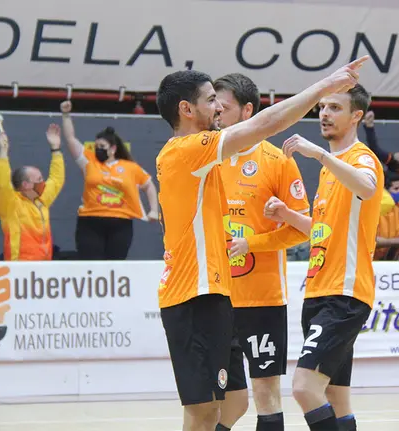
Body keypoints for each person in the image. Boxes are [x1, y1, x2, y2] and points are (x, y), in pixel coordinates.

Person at [154, 56, 369, 431]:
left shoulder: (231, 160)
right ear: (186, 110)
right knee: (204, 411)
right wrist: (324, 86)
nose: (218, 106)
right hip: (192, 296)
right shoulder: (188, 150)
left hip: (222, 295)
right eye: (210, 100)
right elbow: (267, 123)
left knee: (235, 401)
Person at [262, 83, 382, 431]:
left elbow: (369, 186)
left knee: (303, 388)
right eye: (322, 107)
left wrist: (320, 155)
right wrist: (287, 215)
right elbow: (323, 228)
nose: (324, 114)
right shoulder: (331, 169)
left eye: (334, 108)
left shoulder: (359, 158)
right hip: (319, 290)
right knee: (335, 396)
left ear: (356, 115)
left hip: (343, 294)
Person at [214, 72, 311, 431]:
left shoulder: (277, 161)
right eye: (213, 107)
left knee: (266, 394)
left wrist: (251, 243)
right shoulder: (208, 157)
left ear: (248, 110)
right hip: (216, 297)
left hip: (262, 301)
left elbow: (303, 230)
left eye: (223, 107)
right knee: (219, 400)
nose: (216, 114)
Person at [59, 101, 159, 260]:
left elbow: (149, 186)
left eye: (102, 146)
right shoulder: (89, 162)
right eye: (96, 145)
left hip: (121, 223)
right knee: (91, 264)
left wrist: (154, 210)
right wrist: (65, 115)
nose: (98, 149)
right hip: (90, 221)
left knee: (115, 266)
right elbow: (71, 139)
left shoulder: (129, 167)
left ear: (113, 149)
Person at [0, 124, 65, 261]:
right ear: (25, 185)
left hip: (44, 266)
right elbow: (3, 184)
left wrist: (55, 149)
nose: (43, 182)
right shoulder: (11, 205)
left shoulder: (42, 199)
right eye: (39, 179)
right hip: (19, 268)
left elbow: (57, 179)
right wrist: (3, 152)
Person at [374, 171, 399, 261]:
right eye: (396, 189)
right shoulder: (372, 210)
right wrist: (398, 242)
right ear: (384, 190)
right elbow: (369, 241)